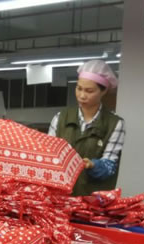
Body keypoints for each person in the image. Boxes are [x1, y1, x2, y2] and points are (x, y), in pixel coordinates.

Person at [48, 60, 126, 196]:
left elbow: (110, 165)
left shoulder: (115, 124)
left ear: (103, 91)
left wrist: (94, 165)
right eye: (79, 88)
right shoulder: (60, 118)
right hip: (61, 196)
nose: (82, 95)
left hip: (93, 199)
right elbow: (49, 154)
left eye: (89, 91)